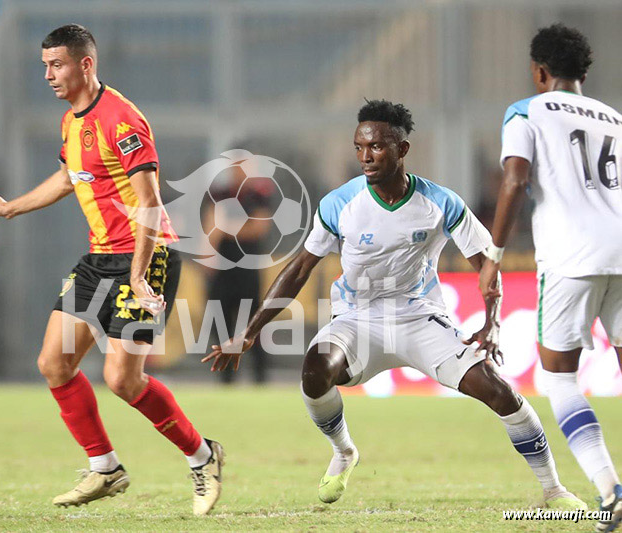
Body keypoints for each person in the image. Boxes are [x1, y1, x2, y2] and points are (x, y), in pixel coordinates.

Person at [204, 100, 584, 510]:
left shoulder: (441, 202)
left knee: (499, 392)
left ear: (402, 150)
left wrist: (491, 324)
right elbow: (297, 271)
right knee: (315, 372)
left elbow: (488, 267)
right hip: (357, 320)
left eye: (377, 147)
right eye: (359, 148)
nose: (366, 157)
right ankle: (344, 451)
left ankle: (553, 489)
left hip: (421, 319)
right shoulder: (339, 203)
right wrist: (250, 332)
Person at [0, 24, 223, 516]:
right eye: (44, 65)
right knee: (54, 362)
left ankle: (203, 457)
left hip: (145, 256)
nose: (47, 74)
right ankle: (105, 467)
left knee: (123, 381)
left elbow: (150, 203)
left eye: (57, 64)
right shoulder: (71, 121)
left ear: (86, 64)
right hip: (99, 258)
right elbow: (70, 176)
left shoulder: (122, 120)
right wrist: (11, 207)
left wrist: (136, 275)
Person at [479, 23, 622, 532]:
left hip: (571, 255)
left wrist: (493, 254)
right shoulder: (615, 118)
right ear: (585, 71)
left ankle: (610, 489)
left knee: (559, 376)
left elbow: (516, 177)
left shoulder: (528, 110)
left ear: (539, 72)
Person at [203, 164, 272, 384]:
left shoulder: (258, 196)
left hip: (247, 270)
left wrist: (227, 228)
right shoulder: (219, 194)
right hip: (222, 271)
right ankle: (225, 376)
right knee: (220, 322)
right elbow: (210, 227)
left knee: (252, 323)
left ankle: (259, 375)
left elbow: (258, 228)